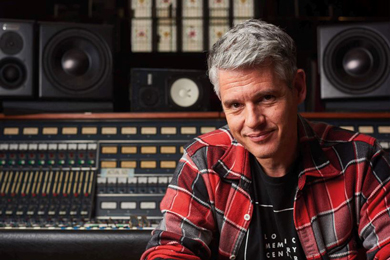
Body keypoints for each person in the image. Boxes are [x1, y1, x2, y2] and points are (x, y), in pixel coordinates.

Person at [141, 19, 390, 260]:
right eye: (235, 105)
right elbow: (170, 248)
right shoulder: (203, 162)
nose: (252, 121)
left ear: (298, 87)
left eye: (267, 98)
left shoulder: (361, 161)